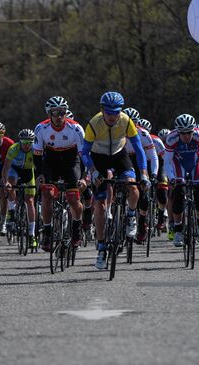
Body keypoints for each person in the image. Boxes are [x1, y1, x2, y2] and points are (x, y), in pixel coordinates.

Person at [81, 92, 148, 269]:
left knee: (134, 188)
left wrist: (144, 173)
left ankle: (131, 216)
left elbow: (139, 149)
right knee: (100, 204)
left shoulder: (126, 121)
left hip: (119, 156)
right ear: (102, 110)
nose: (112, 116)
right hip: (99, 158)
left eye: (116, 112)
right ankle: (102, 247)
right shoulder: (93, 124)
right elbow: (84, 153)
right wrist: (93, 171)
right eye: (109, 112)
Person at [34, 96, 85, 251]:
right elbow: (37, 155)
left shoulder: (76, 129)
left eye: (62, 112)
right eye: (55, 113)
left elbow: (84, 156)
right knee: (47, 194)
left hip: (71, 161)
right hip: (51, 161)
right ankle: (48, 232)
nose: (59, 116)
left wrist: (83, 177)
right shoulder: (41, 129)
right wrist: (40, 174)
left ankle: (76, 227)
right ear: (49, 114)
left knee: (73, 199)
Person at [164, 114, 199, 247]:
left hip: (196, 163)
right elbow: (167, 161)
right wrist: (172, 178)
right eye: (183, 133)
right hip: (179, 163)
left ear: (194, 130)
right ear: (178, 132)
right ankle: (178, 231)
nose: (186, 136)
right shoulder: (171, 138)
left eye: (189, 132)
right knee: (178, 197)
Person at [2, 128, 38, 249]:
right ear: (20, 142)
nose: (27, 145)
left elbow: (40, 167)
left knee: (30, 201)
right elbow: (6, 168)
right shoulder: (14, 149)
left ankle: (32, 235)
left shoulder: (35, 149)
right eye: (24, 142)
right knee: (12, 182)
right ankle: (11, 209)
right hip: (14, 170)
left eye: (30, 142)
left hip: (28, 172)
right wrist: (6, 182)